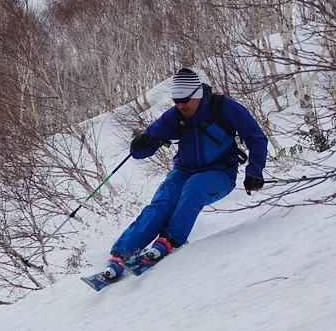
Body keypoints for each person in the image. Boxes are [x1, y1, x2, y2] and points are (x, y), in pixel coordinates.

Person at [103, 68, 268, 279]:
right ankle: (121, 253)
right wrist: (140, 144)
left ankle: (170, 240)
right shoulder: (175, 116)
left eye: (185, 100)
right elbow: (144, 147)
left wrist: (254, 171)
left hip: (220, 173)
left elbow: (256, 138)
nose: (181, 105)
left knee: (195, 187)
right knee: (162, 203)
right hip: (183, 171)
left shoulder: (224, 108)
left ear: (197, 95)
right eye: (176, 100)